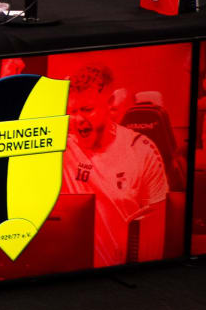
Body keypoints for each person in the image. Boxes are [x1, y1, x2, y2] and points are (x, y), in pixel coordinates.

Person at [61, 64, 168, 267]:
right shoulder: (64, 149)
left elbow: (157, 232)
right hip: (73, 273)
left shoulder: (142, 152)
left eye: (87, 110)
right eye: (72, 111)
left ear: (109, 104)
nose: (78, 119)